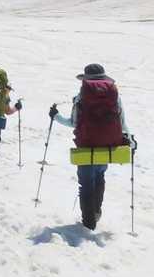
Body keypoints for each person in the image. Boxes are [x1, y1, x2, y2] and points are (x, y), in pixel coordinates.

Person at [50, 62, 136, 229]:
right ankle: (96, 212)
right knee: (99, 177)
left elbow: (73, 122)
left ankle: (88, 222)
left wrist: (56, 116)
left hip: (86, 145)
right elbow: (122, 123)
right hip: (107, 145)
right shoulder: (114, 97)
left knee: (86, 184)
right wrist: (130, 140)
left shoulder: (81, 97)